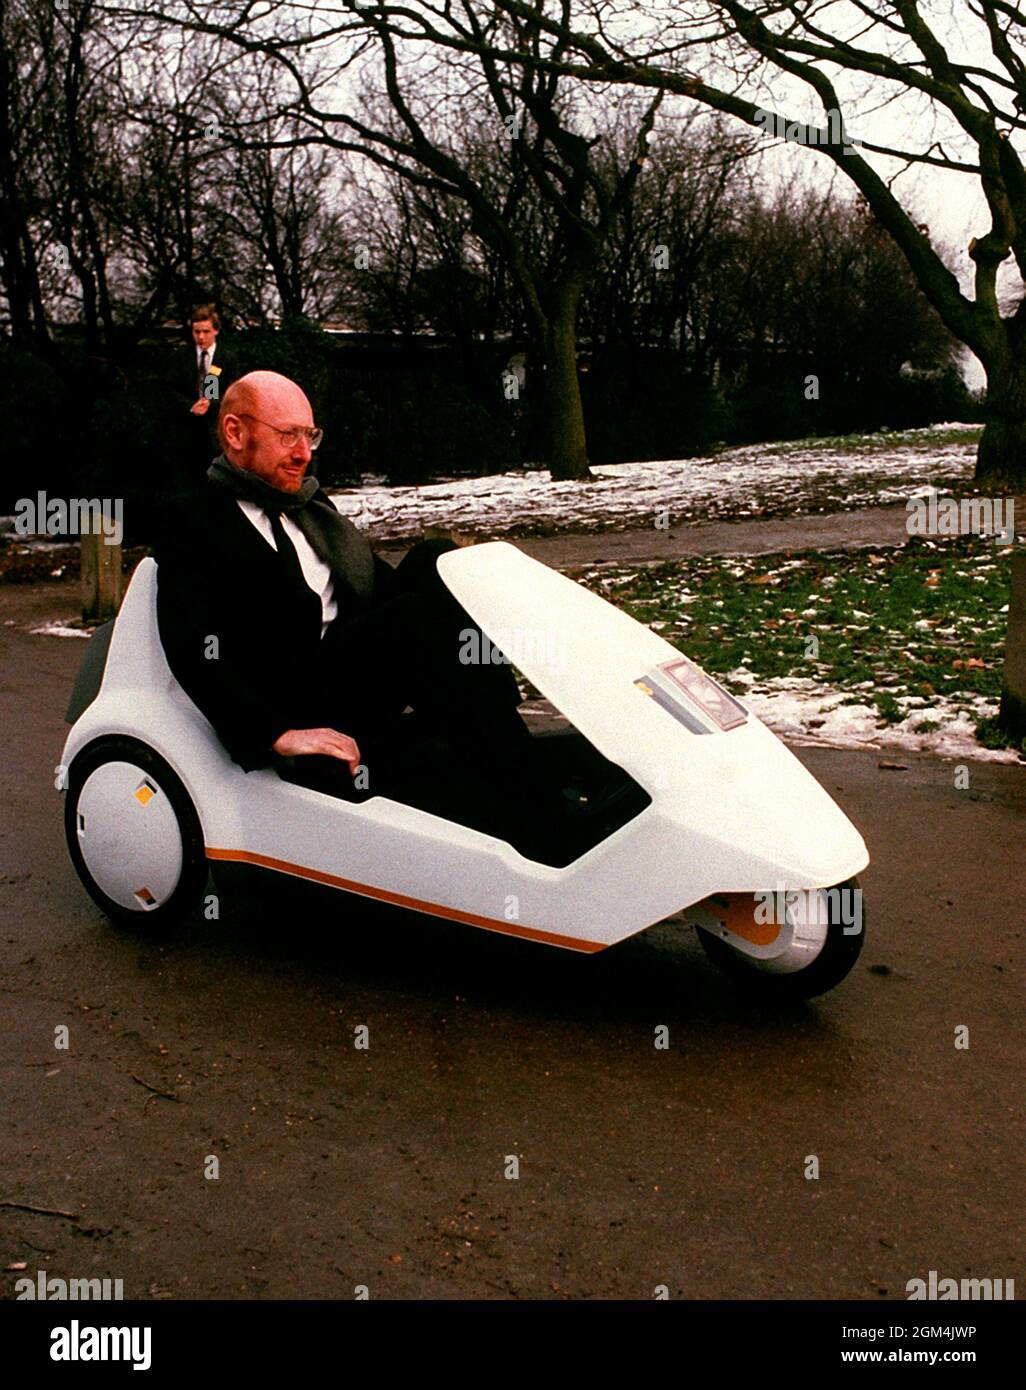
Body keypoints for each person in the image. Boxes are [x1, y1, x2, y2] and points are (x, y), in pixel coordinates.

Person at [153, 370, 592, 863]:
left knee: (437, 561)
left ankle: (496, 729)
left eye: (309, 435)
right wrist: (275, 734)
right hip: (295, 696)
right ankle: (533, 802)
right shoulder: (191, 520)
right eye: (287, 436)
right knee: (411, 623)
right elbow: (191, 643)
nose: (304, 453)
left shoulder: (307, 504)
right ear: (235, 433)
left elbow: (370, 583)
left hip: (347, 669)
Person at [171, 304, 238, 484]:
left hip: (215, 434)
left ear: (216, 331)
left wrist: (211, 405)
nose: (201, 337)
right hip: (186, 434)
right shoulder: (180, 357)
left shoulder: (227, 358)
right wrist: (191, 406)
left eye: (206, 331)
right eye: (196, 332)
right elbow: (171, 390)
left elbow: (232, 393)